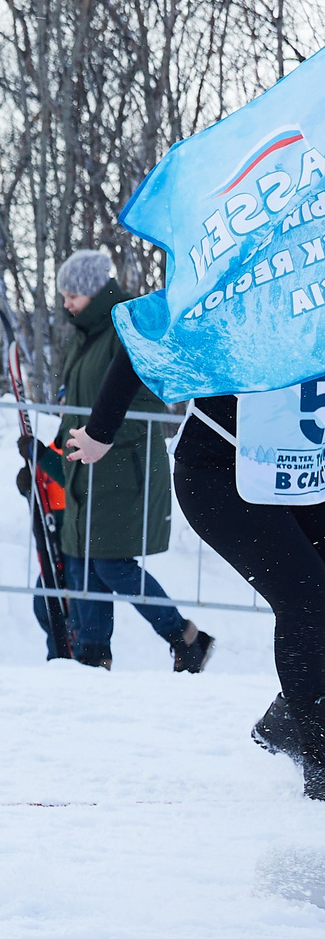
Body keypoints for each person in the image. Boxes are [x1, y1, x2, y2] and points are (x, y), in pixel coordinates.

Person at [68, 337, 325, 800]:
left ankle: (289, 721)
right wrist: (101, 431)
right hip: (217, 475)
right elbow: (141, 335)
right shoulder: (242, 279)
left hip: (298, 473)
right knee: (307, 596)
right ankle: (319, 759)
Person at [22, 249, 213, 671]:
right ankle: (93, 656)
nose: (67, 303)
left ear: (94, 291)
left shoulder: (126, 328)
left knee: (109, 563)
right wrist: (45, 459)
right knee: (80, 563)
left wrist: (100, 438)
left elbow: (146, 410)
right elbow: (74, 409)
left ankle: (184, 637)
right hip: (84, 473)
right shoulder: (82, 338)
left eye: (73, 294)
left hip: (122, 472)